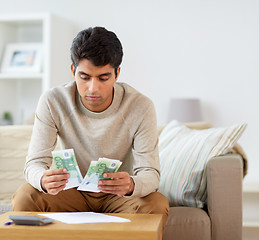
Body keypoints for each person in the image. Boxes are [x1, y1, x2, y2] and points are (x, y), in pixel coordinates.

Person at [12, 26, 169, 229]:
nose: (93, 88)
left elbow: (150, 173)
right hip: (70, 194)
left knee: (157, 204)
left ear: (117, 74)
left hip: (118, 196)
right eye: (84, 77)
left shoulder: (141, 107)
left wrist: (131, 184)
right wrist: (42, 179)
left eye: (103, 78)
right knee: (25, 196)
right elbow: (34, 163)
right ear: (73, 71)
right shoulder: (53, 101)